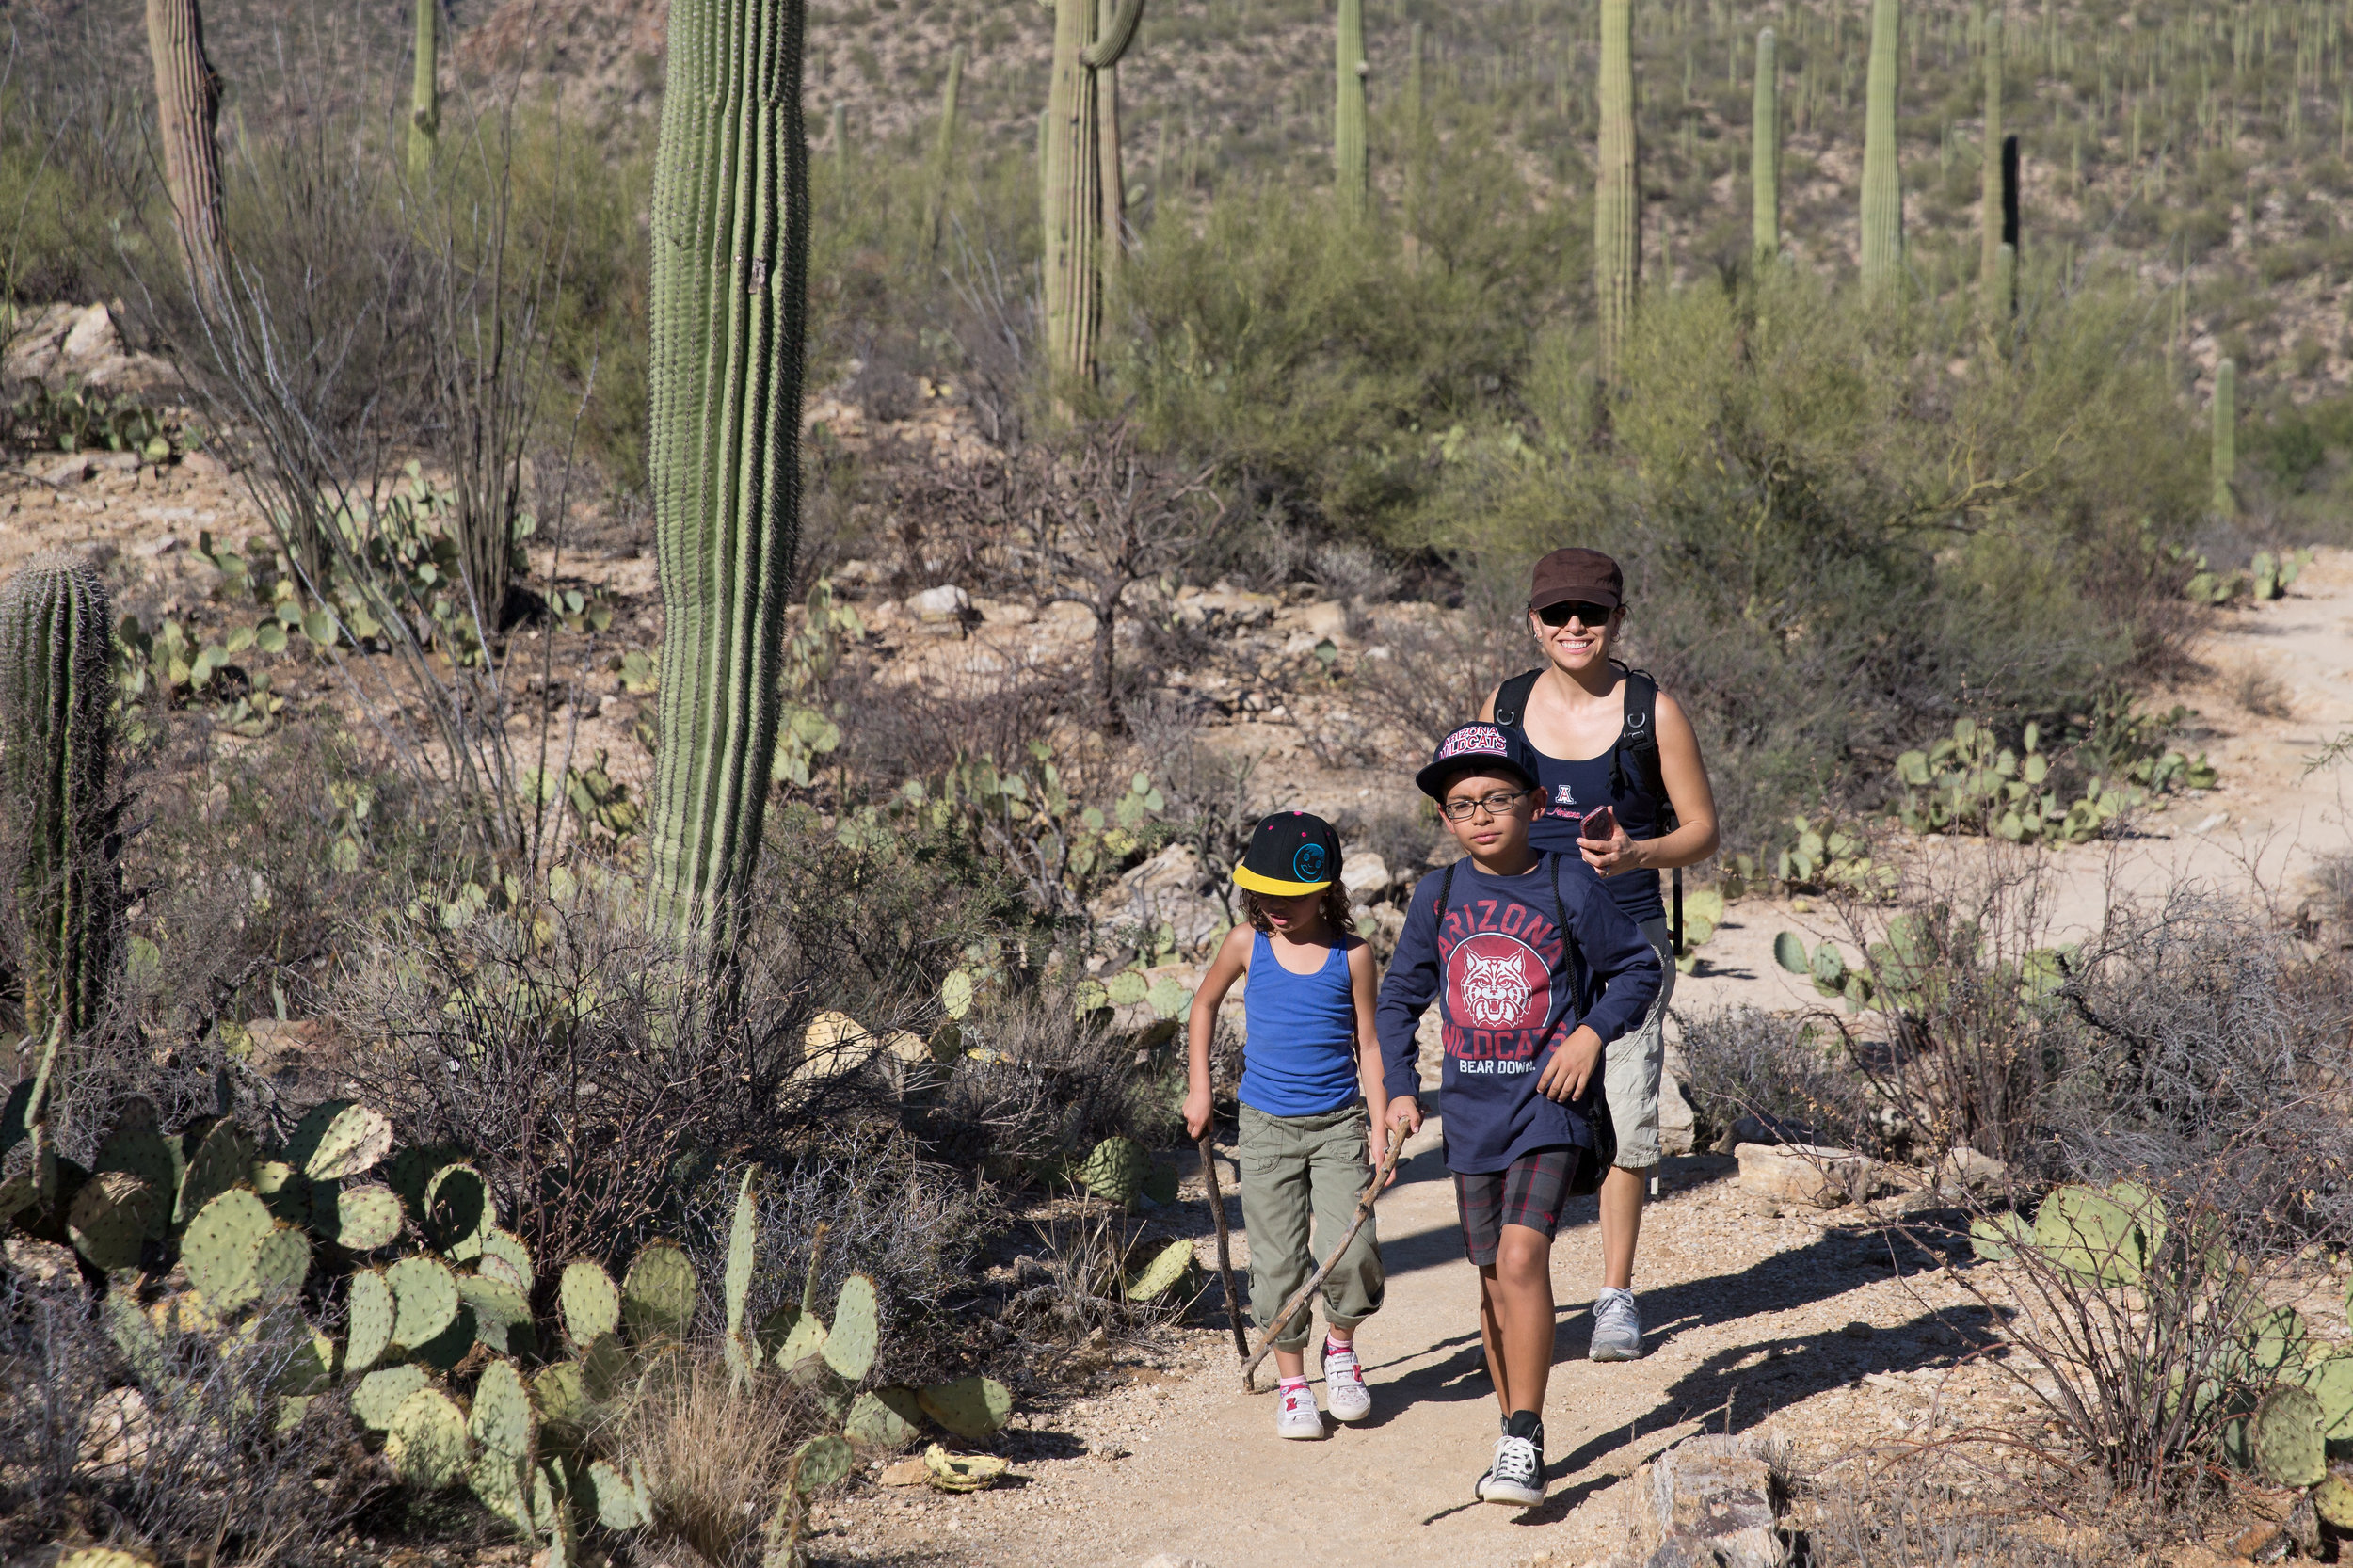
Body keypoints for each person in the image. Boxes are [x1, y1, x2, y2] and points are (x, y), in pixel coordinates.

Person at [1376, 724, 1662, 1506]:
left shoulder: (1567, 883)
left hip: (1549, 1109)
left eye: (1499, 798)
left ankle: (1525, 1438)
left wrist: (1590, 1036)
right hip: (1471, 1117)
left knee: (1522, 1259)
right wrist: (1400, 1088)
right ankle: (1509, 1428)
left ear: (1536, 803)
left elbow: (1638, 967)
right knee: (1491, 1282)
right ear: (1444, 818)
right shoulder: (1438, 896)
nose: (1481, 815)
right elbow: (1400, 996)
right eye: (1462, 803)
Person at [1479, 547, 1719, 1363]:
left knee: (1622, 1111)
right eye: (1557, 614)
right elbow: (1478, 808)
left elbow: (1702, 831)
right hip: (1526, 944)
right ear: (1533, 622)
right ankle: (1518, 1278)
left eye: (1592, 612)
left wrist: (1636, 854)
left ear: (1619, 619)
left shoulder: (1655, 712)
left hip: (1624, 942)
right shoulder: (1505, 709)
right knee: (1517, 1108)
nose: (1574, 626)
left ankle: (1615, 1297)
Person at [1184, 811, 1389, 1441]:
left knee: (1352, 1249)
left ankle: (1343, 1350)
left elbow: (1371, 1046)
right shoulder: (1247, 943)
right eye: (1266, 894)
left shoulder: (1352, 955)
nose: (1277, 907)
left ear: (1326, 890)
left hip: (1337, 1126)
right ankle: (1294, 1384)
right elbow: (1203, 1005)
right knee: (1276, 1263)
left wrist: (1379, 1132)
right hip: (1266, 1128)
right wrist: (1199, 1087)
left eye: (1293, 898)